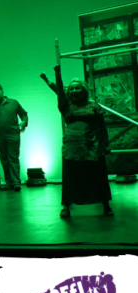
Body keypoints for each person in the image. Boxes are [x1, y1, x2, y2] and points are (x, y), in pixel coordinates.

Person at [53, 64, 113, 218]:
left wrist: (106, 145)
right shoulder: (66, 106)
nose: (74, 91)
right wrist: (58, 75)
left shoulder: (93, 106)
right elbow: (59, 91)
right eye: (71, 88)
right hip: (72, 147)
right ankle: (66, 206)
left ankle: (106, 205)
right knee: (70, 178)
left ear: (83, 90)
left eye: (77, 88)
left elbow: (102, 127)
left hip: (92, 146)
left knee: (98, 176)